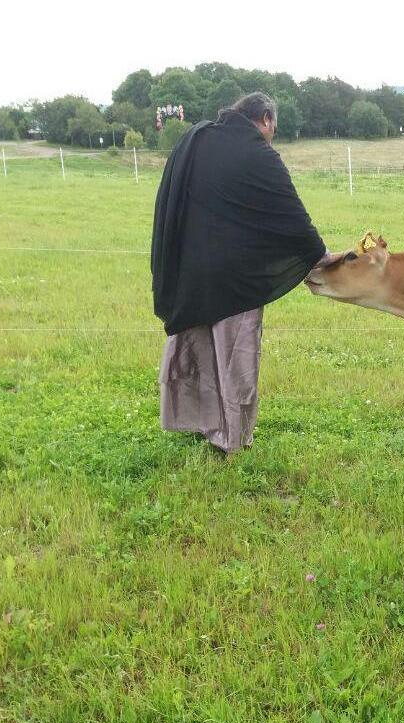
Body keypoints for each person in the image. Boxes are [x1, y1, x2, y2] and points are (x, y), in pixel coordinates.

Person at [151, 92, 329, 455]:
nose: (271, 135)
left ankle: (202, 424)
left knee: (199, 350)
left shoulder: (195, 138)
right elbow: (292, 217)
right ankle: (232, 438)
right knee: (235, 361)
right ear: (265, 118)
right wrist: (321, 256)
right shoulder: (258, 154)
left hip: (190, 273)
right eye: (273, 129)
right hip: (236, 281)